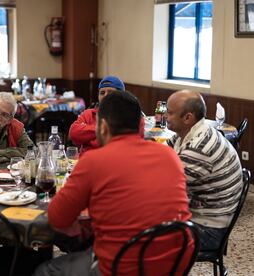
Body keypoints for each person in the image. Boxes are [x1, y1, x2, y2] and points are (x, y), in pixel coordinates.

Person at [35, 92, 193, 276]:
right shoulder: (170, 156)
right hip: (177, 264)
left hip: (123, 268)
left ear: (102, 127)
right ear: (141, 125)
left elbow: (57, 218)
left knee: (45, 270)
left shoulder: (93, 161)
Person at [166, 90, 243, 251]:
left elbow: (166, 190)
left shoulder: (198, 148)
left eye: (170, 112)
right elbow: (163, 152)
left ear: (188, 117)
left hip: (211, 229)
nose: (165, 115)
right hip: (207, 214)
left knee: (145, 235)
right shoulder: (190, 132)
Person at [69, 76, 144, 156]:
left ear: (121, 96)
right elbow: (73, 133)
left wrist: (88, 132)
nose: (105, 96)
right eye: (102, 93)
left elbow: (135, 140)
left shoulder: (132, 115)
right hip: (88, 161)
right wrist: (107, 128)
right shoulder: (89, 114)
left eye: (110, 93)